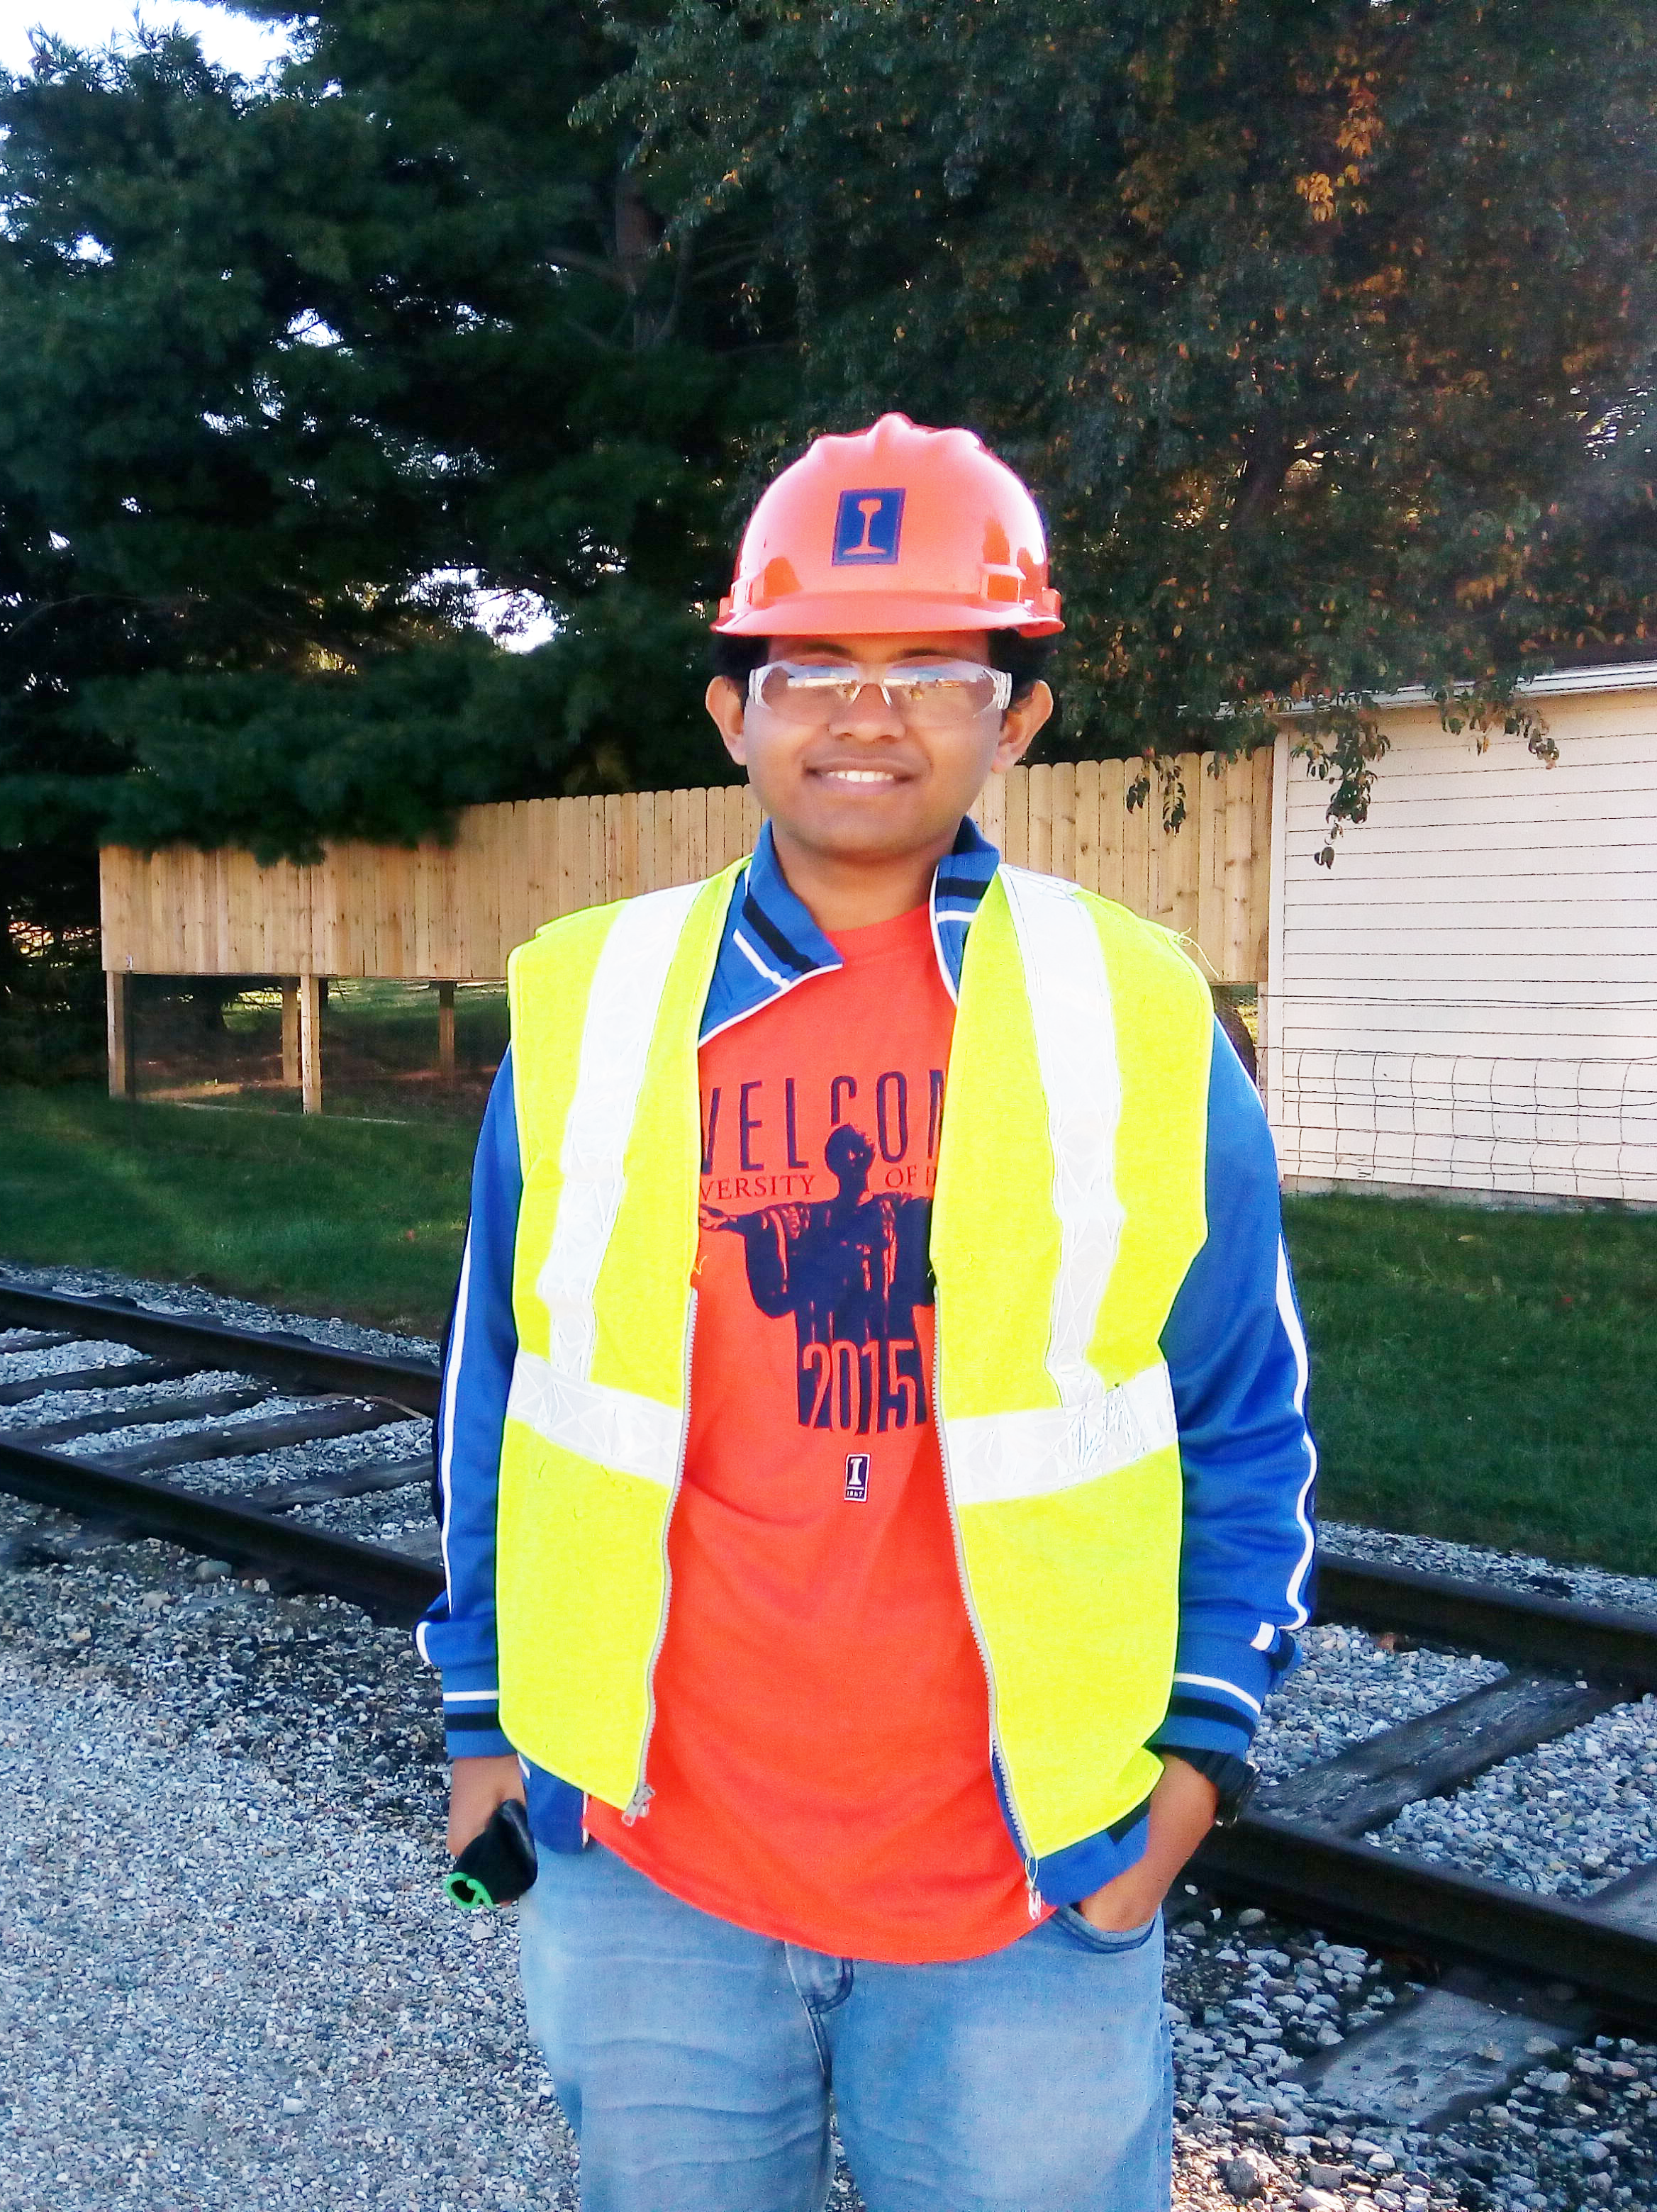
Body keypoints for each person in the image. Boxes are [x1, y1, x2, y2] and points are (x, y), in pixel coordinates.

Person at [422, 414, 1318, 2211]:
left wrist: (1199, 1755)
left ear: (1017, 715)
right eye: (812, 664)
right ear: (730, 711)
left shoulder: (1134, 1019)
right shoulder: (594, 1006)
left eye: (929, 666)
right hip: (652, 1867)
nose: (865, 710)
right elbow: (499, 1396)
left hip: (1020, 1883)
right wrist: (479, 1725)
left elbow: (1245, 1420)